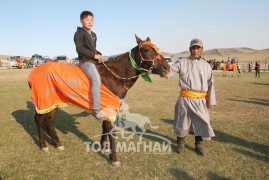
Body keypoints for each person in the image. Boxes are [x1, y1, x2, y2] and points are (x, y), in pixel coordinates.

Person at [165, 38, 216, 156]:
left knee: (202, 122)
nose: (195, 50)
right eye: (193, 48)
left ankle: (198, 145)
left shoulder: (206, 65)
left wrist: (211, 100)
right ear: (189, 49)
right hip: (185, 98)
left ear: (201, 49)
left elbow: (211, 83)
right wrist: (159, 66)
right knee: (182, 122)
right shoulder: (182, 62)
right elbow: (170, 71)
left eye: (198, 48)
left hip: (200, 99)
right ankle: (180, 145)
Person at [74, 11, 105, 120]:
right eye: (87, 20)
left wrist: (99, 54)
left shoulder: (93, 35)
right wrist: (94, 55)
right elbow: (80, 49)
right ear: (81, 21)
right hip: (85, 62)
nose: (90, 22)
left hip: (93, 59)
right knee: (96, 80)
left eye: (91, 20)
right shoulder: (79, 33)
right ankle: (96, 109)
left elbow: (93, 49)